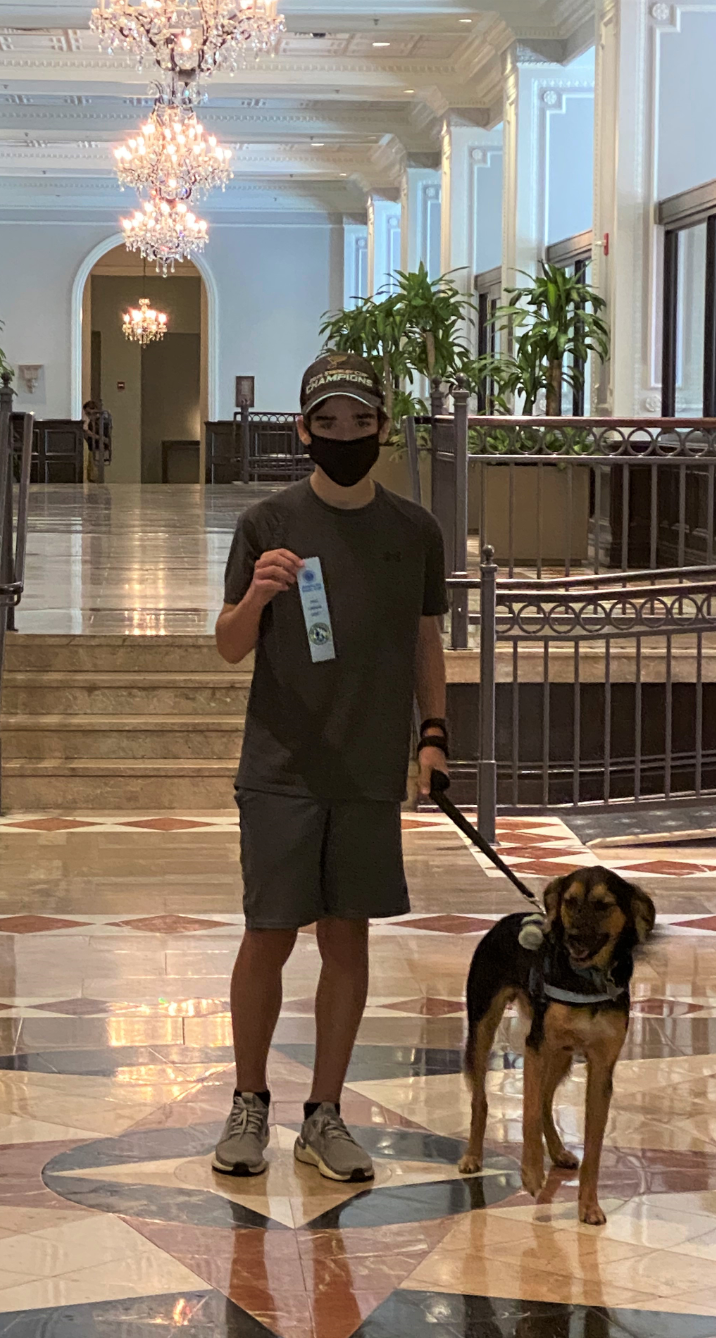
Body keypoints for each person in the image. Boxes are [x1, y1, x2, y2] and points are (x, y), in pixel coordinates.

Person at [213, 352, 450, 1183]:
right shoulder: (267, 523)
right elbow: (228, 645)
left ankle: (324, 1113)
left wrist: (433, 735)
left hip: (367, 766)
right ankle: (249, 1104)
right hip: (281, 764)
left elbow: (425, 638)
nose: (346, 435)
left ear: (383, 427)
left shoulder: (414, 531)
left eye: (361, 421)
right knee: (269, 933)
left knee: (348, 936)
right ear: (304, 430)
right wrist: (257, 596)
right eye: (329, 422)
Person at [82, 399, 112, 482]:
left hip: (100, 449)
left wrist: (90, 434)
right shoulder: (90, 423)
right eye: (87, 414)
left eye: (90, 413)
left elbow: (105, 439)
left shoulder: (103, 423)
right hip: (92, 448)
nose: (89, 416)